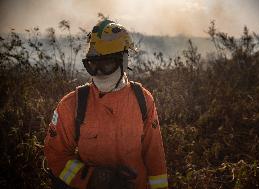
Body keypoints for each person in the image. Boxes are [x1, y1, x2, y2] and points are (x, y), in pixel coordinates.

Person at [44, 19, 168, 189]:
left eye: (106, 65)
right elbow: (55, 154)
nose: (99, 73)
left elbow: (155, 158)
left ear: (123, 62)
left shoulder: (143, 100)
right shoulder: (72, 104)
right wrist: (92, 177)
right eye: (93, 65)